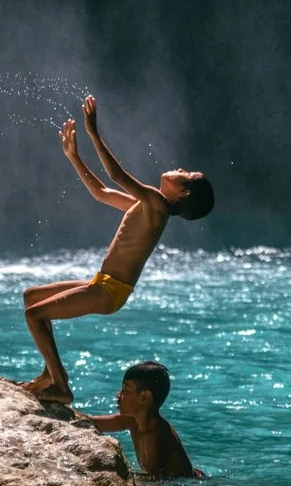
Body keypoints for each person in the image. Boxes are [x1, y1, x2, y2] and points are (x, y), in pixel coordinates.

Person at [20, 94, 214, 404]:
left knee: (34, 315)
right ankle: (51, 373)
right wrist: (73, 155)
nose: (180, 168)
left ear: (184, 192)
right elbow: (101, 192)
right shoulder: (150, 206)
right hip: (101, 284)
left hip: (110, 291)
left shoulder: (157, 205)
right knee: (32, 297)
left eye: (186, 174)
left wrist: (94, 133)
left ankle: (60, 385)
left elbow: (116, 175)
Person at [78, 360, 200, 479]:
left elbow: (155, 480)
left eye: (125, 389)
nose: (118, 395)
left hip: (189, 485)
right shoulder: (133, 421)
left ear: (144, 397)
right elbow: (93, 423)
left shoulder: (156, 434)